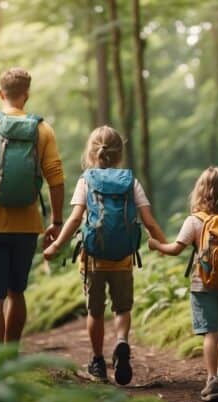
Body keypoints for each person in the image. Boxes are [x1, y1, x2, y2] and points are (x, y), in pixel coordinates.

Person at [43, 126, 167, 385]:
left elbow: (76, 219)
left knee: (95, 312)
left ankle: (98, 362)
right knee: (122, 308)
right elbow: (148, 221)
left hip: (93, 259)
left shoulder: (86, 180)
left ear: (91, 152)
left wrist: (56, 247)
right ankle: (121, 340)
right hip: (122, 259)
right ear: (119, 153)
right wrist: (167, 245)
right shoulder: (130, 181)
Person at [0, 67, 65, 345]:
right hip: (28, 224)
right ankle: (11, 355)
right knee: (16, 292)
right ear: (26, 95)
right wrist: (56, 221)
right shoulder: (42, 129)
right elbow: (56, 178)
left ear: (0, 93)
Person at [148, 166, 218, 402]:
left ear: (200, 192)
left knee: (211, 333)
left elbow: (175, 249)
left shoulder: (195, 221)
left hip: (204, 286)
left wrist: (156, 245)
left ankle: (211, 380)